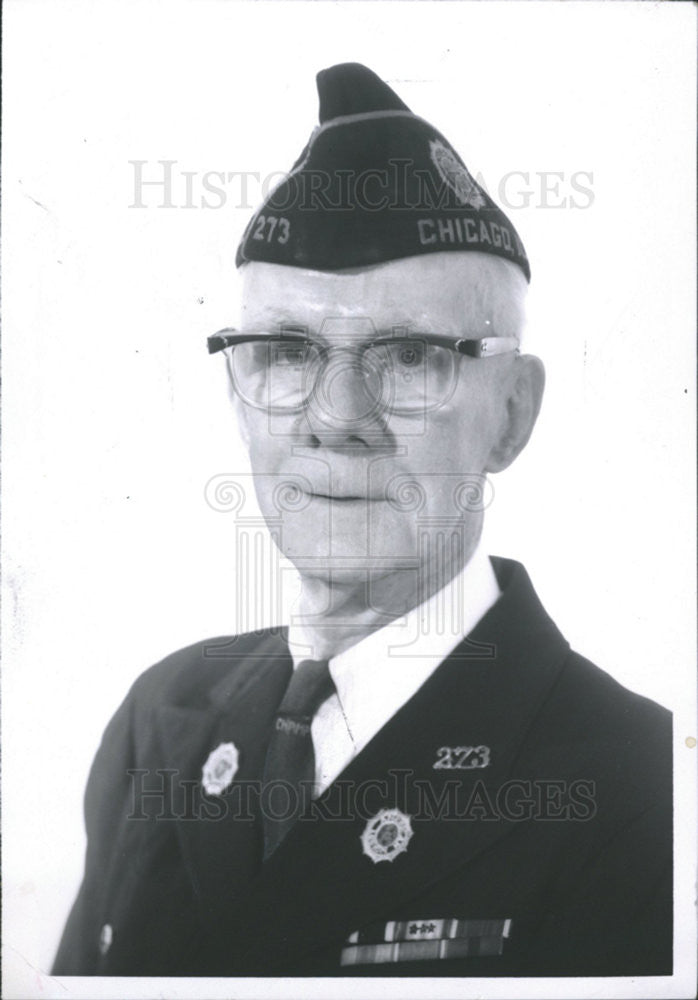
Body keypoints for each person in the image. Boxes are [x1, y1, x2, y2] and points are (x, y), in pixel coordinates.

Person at [52, 63, 672, 978]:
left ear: (511, 413)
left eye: (411, 358)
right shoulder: (163, 719)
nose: (336, 417)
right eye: (286, 352)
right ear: (238, 387)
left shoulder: (640, 786)